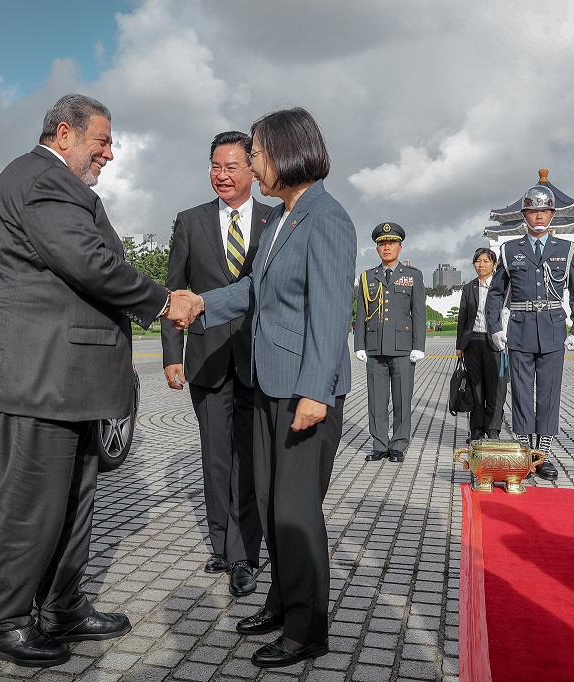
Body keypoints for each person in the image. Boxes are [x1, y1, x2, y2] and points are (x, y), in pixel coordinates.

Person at [0, 93, 194, 667]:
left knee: (73, 503)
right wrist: (165, 301)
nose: (110, 155)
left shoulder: (48, 182)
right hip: (36, 378)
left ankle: (63, 606)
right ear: (63, 134)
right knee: (33, 507)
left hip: (65, 381)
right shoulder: (43, 181)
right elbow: (89, 262)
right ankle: (2, 621)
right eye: (103, 142)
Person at [178, 107, 355, 669]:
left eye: (254, 153)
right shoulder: (283, 220)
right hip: (270, 384)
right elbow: (254, 289)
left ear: (284, 152)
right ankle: (282, 602)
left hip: (303, 391)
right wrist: (204, 302)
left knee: (296, 512)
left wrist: (316, 392)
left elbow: (329, 315)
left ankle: (308, 629)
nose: (251, 163)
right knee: (273, 506)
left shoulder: (326, 218)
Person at [161, 131, 269, 597]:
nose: (221, 176)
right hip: (205, 360)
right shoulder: (189, 221)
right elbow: (174, 293)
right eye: (215, 167)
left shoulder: (275, 220)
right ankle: (221, 546)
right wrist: (171, 355)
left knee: (251, 457)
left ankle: (246, 553)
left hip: (259, 359)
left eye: (231, 167)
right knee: (216, 457)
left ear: (252, 169)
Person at [485, 184, 574, 480]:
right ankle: (524, 454)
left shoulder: (566, 249)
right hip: (519, 329)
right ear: (524, 215)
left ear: (552, 214)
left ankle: (543, 456)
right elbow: (496, 293)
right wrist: (495, 327)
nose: (538, 216)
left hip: (554, 329)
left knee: (549, 395)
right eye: (533, 211)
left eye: (544, 211)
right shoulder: (509, 249)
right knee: (521, 393)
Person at [353, 222, 426, 462]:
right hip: (375, 347)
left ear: (400, 247)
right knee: (376, 398)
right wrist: (359, 345)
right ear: (376, 249)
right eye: (382, 244)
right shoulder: (366, 277)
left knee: (403, 398)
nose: (387, 248)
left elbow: (418, 313)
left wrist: (419, 346)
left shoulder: (413, 275)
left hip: (403, 348)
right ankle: (379, 443)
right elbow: (362, 313)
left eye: (391, 243)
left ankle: (398, 445)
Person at [456, 248, 504, 442]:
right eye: (478, 261)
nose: (481, 265)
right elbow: (463, 317)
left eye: (485, 261)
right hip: (473, 343)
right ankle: (476, 429)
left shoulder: (501, 286)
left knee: (496, 388)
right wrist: (460, 345)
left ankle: (493, 429)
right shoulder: (469, 288)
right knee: (475, 387)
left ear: (494, 264)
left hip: (495, 342)